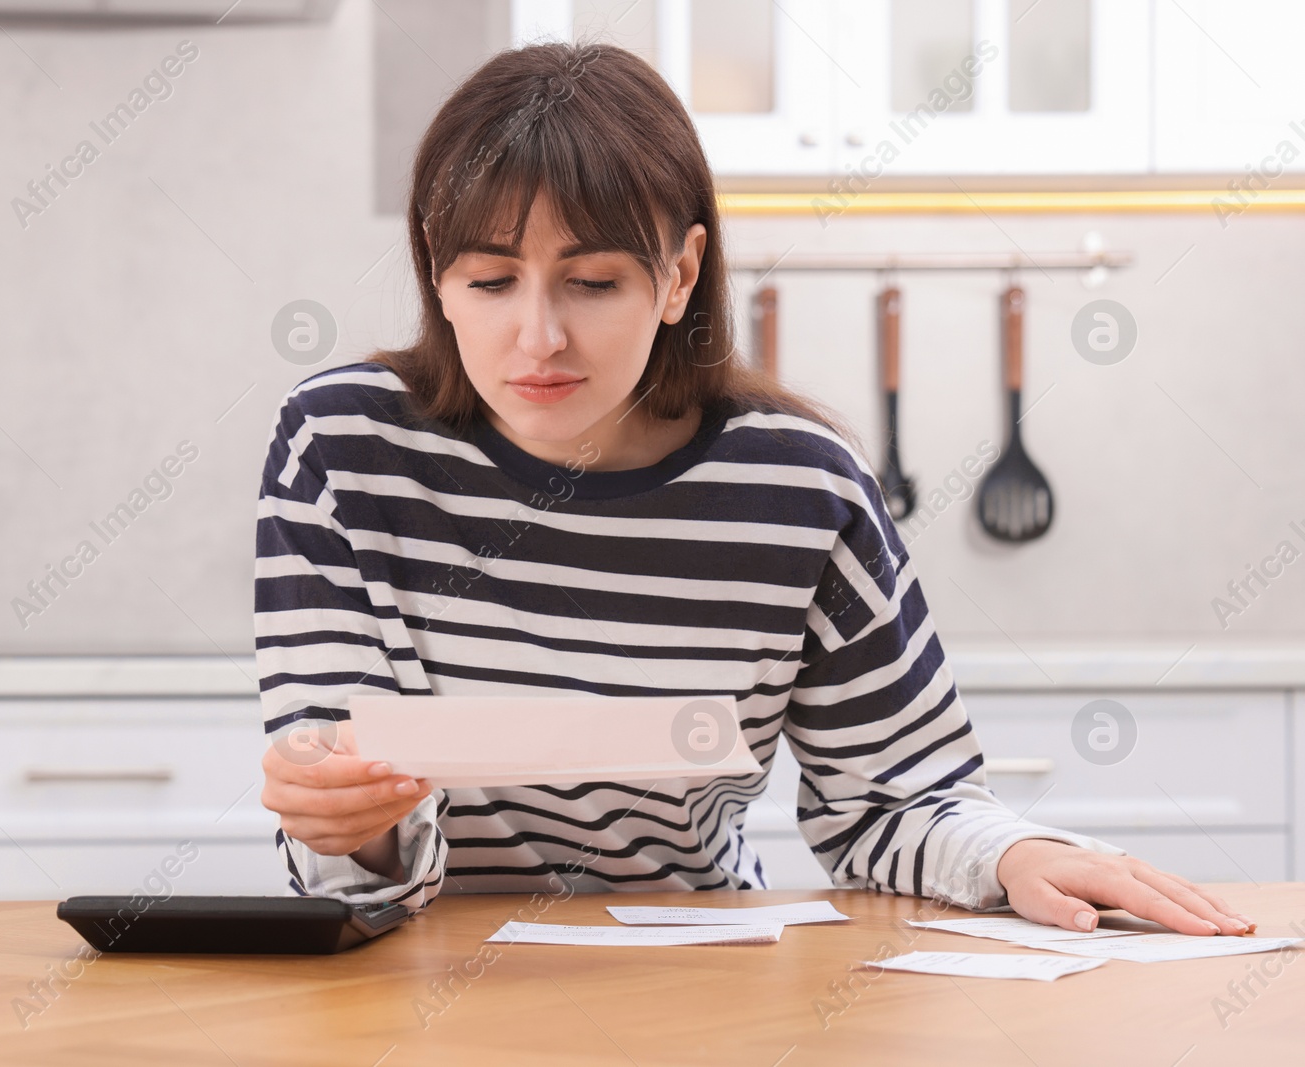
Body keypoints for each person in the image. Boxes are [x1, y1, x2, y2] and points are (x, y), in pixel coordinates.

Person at [255, 41, 1253, 937]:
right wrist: (353, 822)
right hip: (415, 981)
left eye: (592, 282)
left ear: (679, 273)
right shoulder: (341, 446)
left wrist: (1014, 854)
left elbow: (893, 797)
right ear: (435, 273)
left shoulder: (800, 489)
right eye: (489, 281)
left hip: (696, 966)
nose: (538, 337)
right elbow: (339, 814)